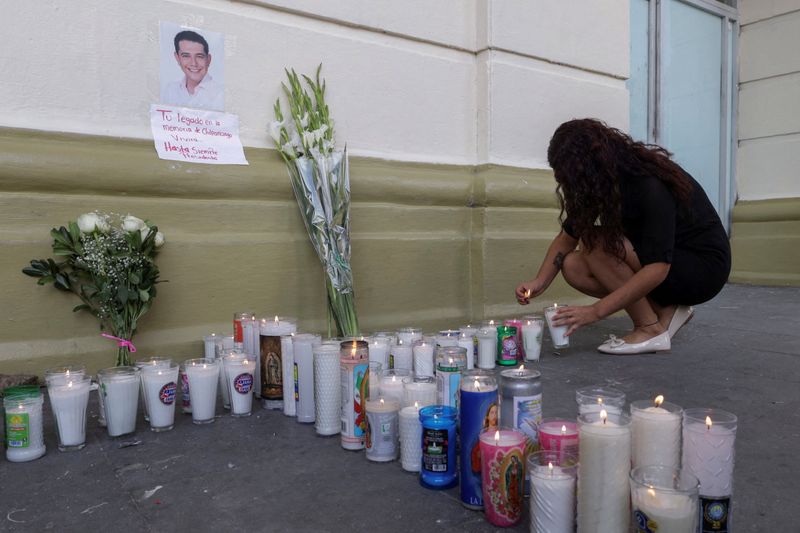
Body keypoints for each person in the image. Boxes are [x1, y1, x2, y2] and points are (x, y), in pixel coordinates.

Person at [515, 118, 731, 355]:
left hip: (702, 269)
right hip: (665, 263)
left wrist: (595, 311)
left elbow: (658, 267)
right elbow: (567, 238)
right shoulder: (602, 185)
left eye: (567, 174)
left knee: (598, 245)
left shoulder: (647, 184)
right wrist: (539, 282)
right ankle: (665, 310)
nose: (563, 181)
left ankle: (650, 329)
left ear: (586, 168)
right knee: (573, 265)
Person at [162, 30, 224, 111]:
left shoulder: (221, 94)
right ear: (177, 58)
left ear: (208, 60)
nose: (194, 63)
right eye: (186, 56)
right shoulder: (171, 90)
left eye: (199, 56)